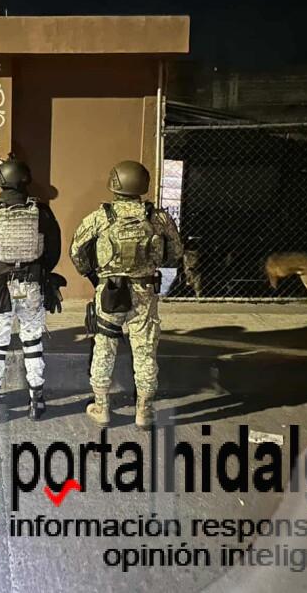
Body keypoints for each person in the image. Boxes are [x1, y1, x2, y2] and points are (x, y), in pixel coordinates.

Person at [70, 160, 183, 429]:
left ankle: (101, 407)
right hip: (145, 291)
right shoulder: (158, 218)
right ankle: (144, 411)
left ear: (114, 184)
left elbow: (77, 252)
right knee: (145, 350)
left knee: (104, 347)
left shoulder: (100, 217)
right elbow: (175, 252)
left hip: (110, 292)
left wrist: (94, 275)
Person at [0, 154, 63, 422]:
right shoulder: (42, 213)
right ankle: (36, 401)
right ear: (25, 180)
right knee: (32, 342)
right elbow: (53, 251)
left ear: (1, 181)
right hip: (32, 285)